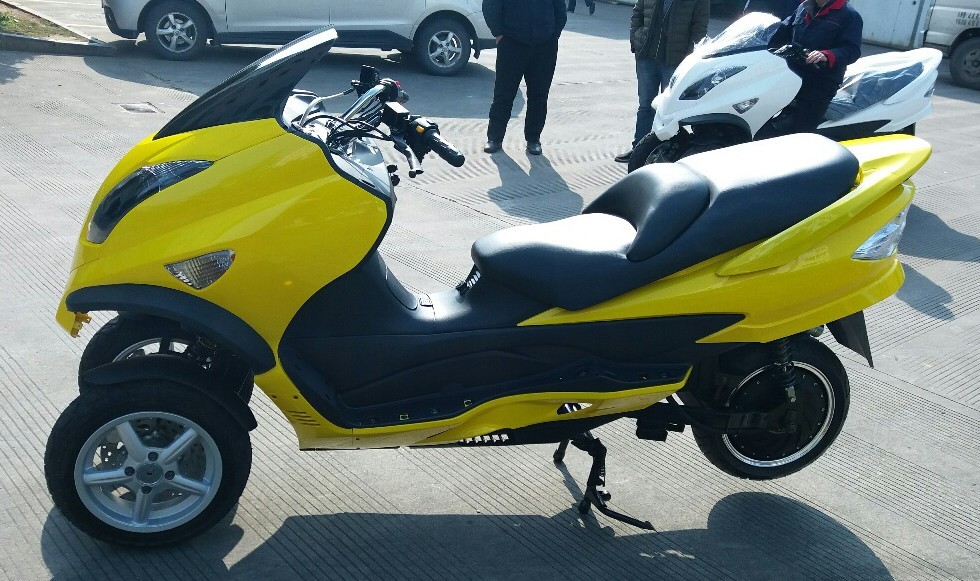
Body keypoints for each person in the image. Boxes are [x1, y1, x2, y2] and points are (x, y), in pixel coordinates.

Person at [615, 0, 710, 163]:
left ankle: (665, 152)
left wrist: (692, 56)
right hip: (646, 56)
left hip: (675, 59)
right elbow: (638, 12)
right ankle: (639, 150)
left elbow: (700, 27)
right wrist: (635, 40)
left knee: (668, 110)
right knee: (646, 106)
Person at [483, 0, 568, 156]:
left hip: (544, 46)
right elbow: (491, 5)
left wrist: (554, 34)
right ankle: (494, 138)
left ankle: (533, 139)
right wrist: (498, 32)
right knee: (503, 94)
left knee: (539, 95)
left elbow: (560, 9)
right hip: (511, 43)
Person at [783, 0, 862, 133]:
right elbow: (783, 30)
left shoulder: (849, 15)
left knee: (801, 131)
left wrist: (827, 55)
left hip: (820, 83)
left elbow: (852, 50)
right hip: (792, 75)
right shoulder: (803, 7)